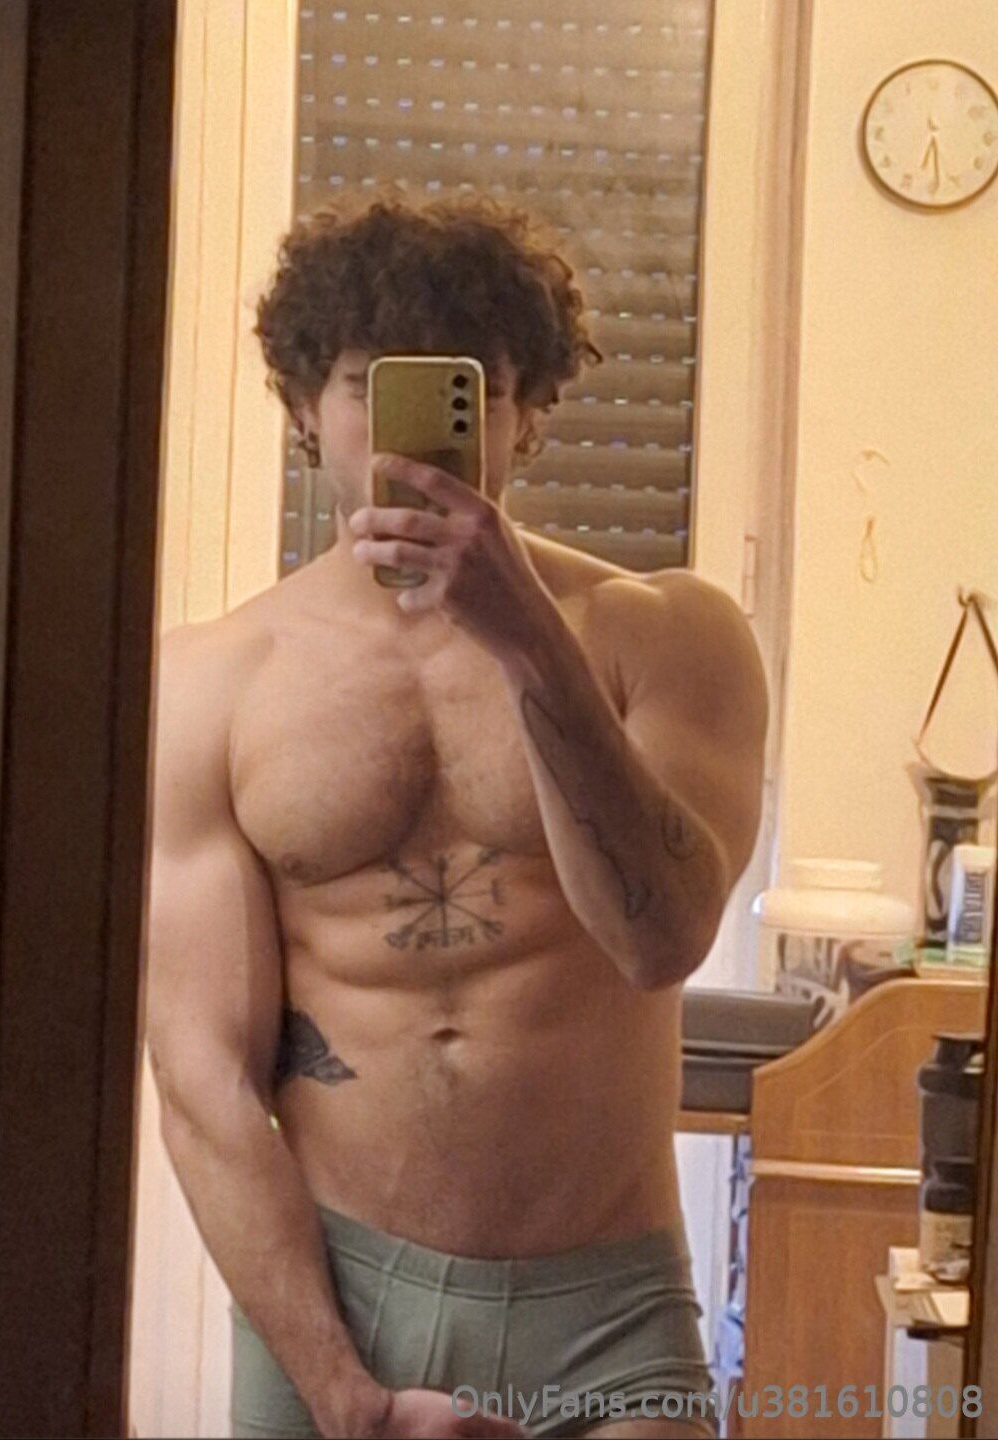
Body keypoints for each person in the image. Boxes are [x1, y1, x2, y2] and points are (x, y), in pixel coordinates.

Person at [145, 195, 768, 1440]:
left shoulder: (666, 636)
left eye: (467, 388)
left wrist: (525, 636)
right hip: (332, 1302)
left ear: (526, 411)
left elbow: (659, 940)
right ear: (303, 408)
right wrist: (342, 1392)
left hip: (608, 1316)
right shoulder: (210, 681)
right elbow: (203, 1072)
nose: (416, 437)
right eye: (367, 386)